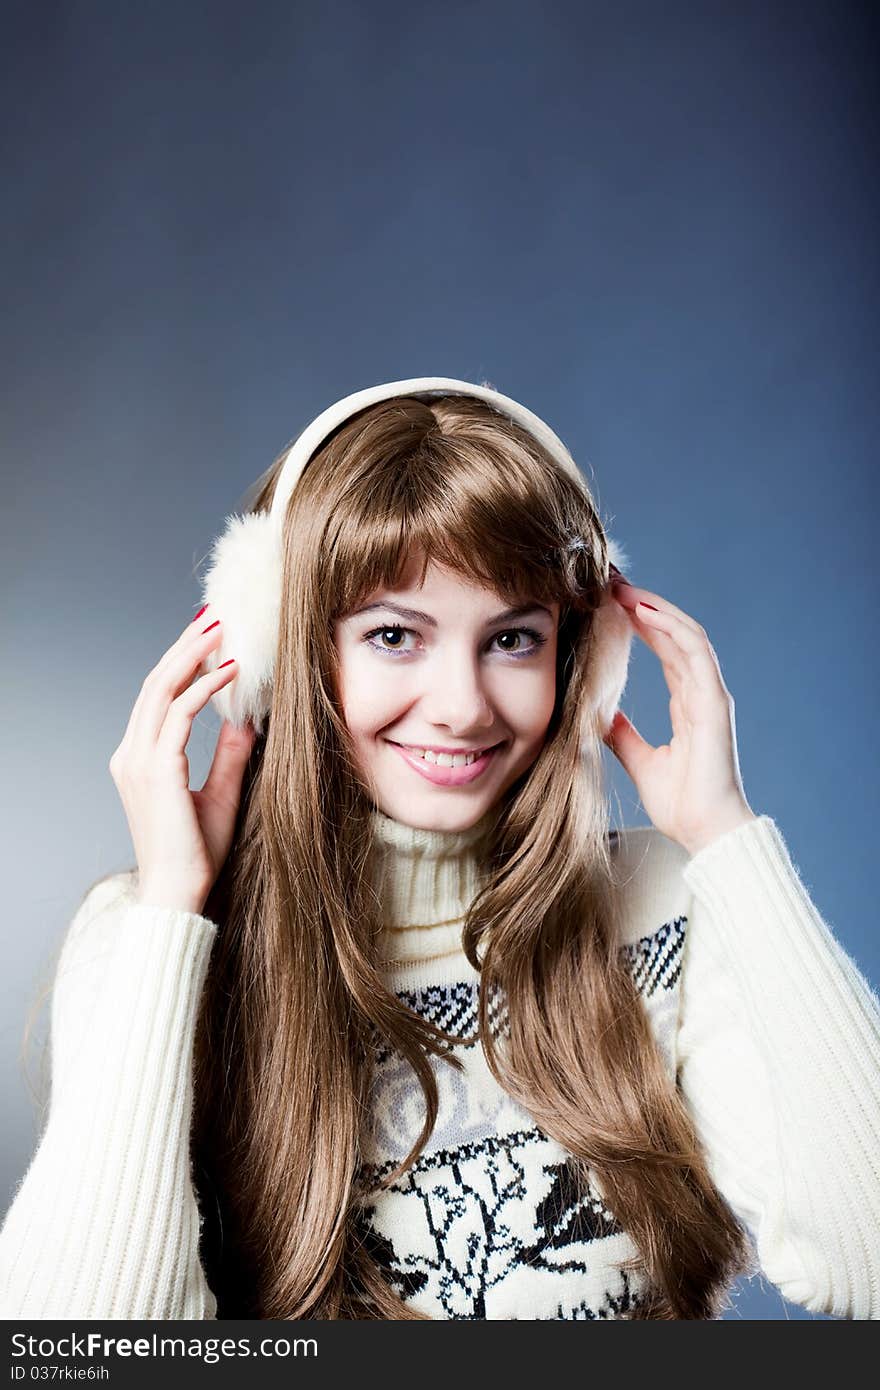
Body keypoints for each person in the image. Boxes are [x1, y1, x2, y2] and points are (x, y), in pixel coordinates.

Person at [1, 379, 879, 1321]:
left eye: (512, 639)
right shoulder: (152, 943)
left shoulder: (667, 902)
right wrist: (174, 909)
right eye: (393, 635)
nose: (462, 704)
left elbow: (862, 1260)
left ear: (581, 664)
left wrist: (728, 842)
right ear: (277, 657)